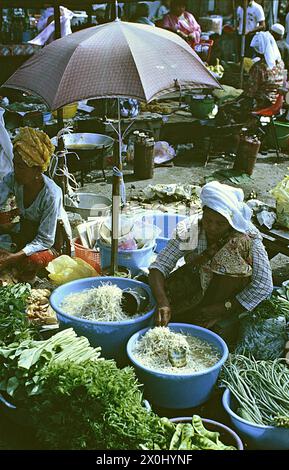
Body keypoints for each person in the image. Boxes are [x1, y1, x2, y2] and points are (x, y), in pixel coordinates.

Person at [148, 181, 273, 347]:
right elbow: (160, 266)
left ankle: (217, 314)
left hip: (230, 293)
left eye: (220, 223)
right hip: (197, 285)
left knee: (235, 244)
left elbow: (264, 284)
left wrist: (225, 307)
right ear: (202, 215)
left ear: (230, 220)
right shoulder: (191, 229)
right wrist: (163, 301)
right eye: (208, 221)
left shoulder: (247, 236)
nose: (212, 228)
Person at [0, 127, 71, 282]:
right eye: (14, 164)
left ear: (37, 171)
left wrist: (12, 258)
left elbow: (45, 240)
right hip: (24, 234)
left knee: (30, 262)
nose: (15, 170)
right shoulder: (13, 179)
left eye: (20, 167)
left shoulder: (51, 194)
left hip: (48, 244)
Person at [246, 31, 285, 109]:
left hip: (262, 102)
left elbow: (251, 90)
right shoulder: (280, 63)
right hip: (278, 101)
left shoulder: (259, 67)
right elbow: (283, 80)